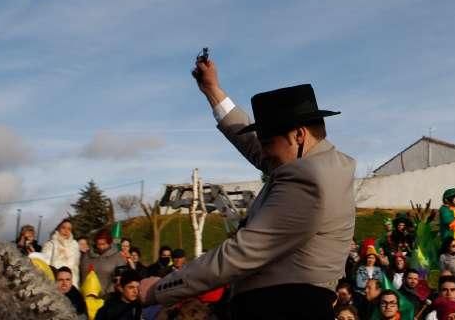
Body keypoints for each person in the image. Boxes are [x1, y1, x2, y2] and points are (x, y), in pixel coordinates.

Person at [140, 57, 356, 320]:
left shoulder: (309, 179)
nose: (262, 151)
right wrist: (213, 90)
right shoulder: (317, 165)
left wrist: (160, 289)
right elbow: (252, 143)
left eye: (268, 141)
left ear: (299, 135)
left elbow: (241, 253)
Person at [81, 230, 125, 295]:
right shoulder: (87, 255)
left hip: (107, 296)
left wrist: (108, 292)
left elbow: (120, 279)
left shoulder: (117, 257)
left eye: (104, 244)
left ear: (109, 243)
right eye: (98, 244)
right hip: (86, 295)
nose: (101, 247)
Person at [42, 218, 81, 286]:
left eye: (69, 229)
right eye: (63, 228)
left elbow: (76, 269)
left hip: (71, 284)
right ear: (58, 229)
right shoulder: (51, 244)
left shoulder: (75, 246)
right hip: (54, 282)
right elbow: (45, 266)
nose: (66, 231)